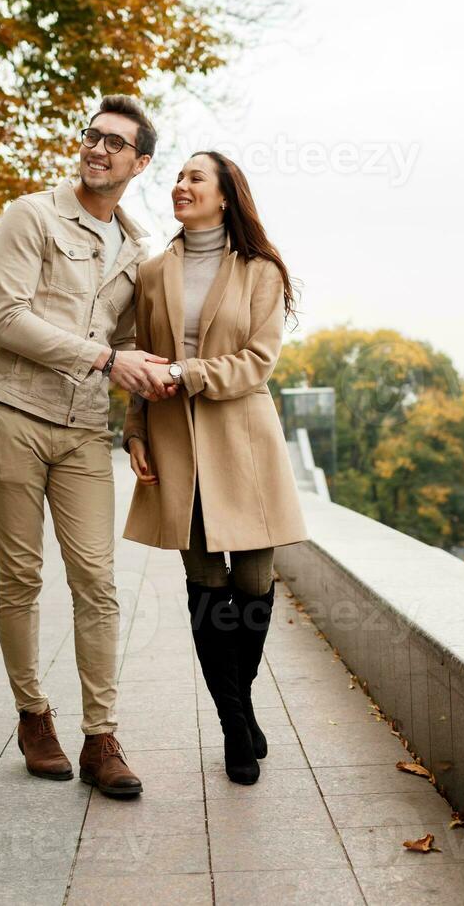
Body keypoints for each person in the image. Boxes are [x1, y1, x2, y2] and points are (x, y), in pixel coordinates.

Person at [0, 95, 176, 798]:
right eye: (92, 136)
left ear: (139, 163)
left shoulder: (139, 250)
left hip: (84, 429)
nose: (98, 149)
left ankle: (101, 736)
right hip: (12, 414)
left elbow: (123, 346)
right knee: (21, 577)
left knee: (97, 580)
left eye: (116, 143)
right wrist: (107, 360)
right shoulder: (31, 215)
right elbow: (9, 321)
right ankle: (34, 717)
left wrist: (139, 413)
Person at [122, 151, 307, 786]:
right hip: (175, 443)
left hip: (244, 440)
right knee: (206, 586)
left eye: (195, 177)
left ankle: (240, 704)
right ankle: (235, 726)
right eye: (177, 177)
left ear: (226, 195)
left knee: (253, 584)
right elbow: (139, 361)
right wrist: (135, 430)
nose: (181, 186)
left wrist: (187, 373)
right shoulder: (152, 273)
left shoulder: (261, 272)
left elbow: (258, 360)